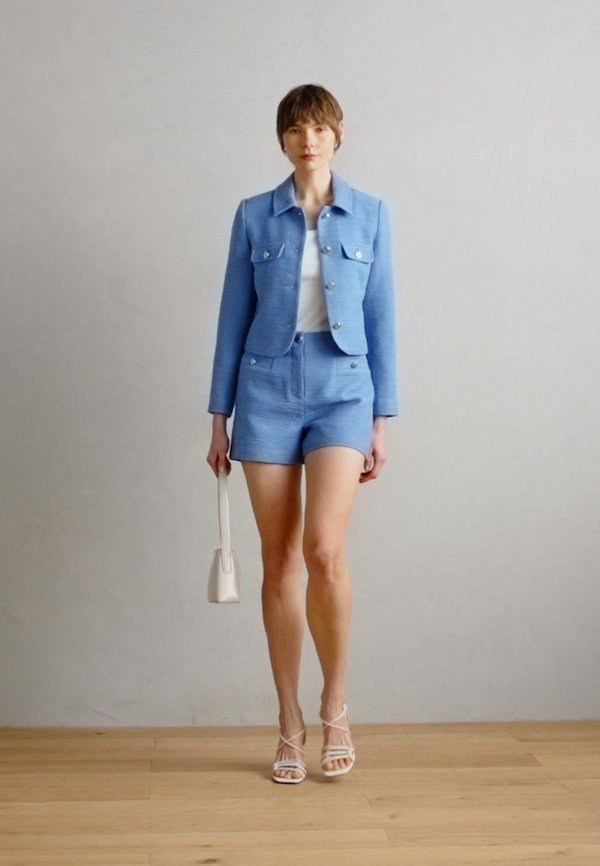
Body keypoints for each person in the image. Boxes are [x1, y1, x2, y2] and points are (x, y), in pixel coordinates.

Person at [207, 83, 398, 783]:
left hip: (343, 391)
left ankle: (334, 704)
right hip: (264, 391)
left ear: (337, 135)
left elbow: (382, 317)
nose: (307, 140)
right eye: (294, 129)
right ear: (282, 139)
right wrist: (219, 415)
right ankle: (289, 721)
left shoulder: (371, 214)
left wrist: (381, 419)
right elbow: (232, 314)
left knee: (324, 551)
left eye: (318, 127)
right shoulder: (254, 216)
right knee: (280, 559)